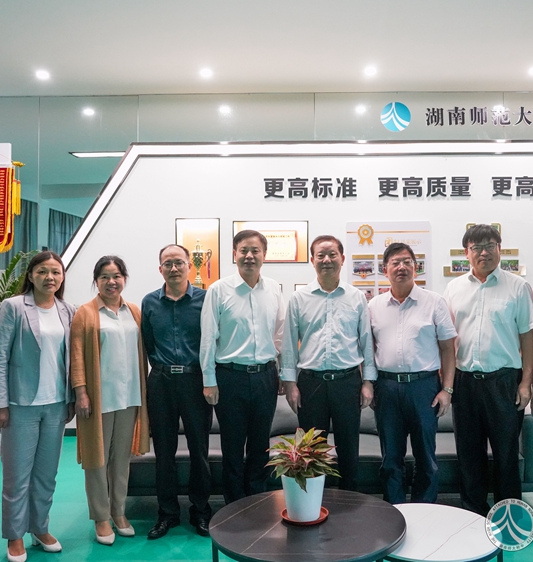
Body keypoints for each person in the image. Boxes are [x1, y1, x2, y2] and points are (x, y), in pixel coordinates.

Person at [443, 224, 533, 517]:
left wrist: (526, 384)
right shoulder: (454, 288)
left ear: (499, 248)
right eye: (477, 247)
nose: (483, 252)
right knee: (469, 452)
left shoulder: (518, 287)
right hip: (465, 382)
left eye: (489, 246)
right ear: (467, 253)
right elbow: (447, 339)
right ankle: (473, 512)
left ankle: (508, 514)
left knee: (506, 453)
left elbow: (528, 338)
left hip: (504, 381)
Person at [0, 251, 75, 562]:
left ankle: (39, 528)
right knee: (17, 476)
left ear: (62, 277)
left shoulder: (68, 310)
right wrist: (0, 404)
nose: (49, 277)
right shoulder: (13, 307)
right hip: (20, 405)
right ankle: (15, 536)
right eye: (42, 271)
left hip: (56, 404)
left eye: (55, 272)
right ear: (30, 275)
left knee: (46, 475)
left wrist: (72, 398)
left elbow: (71, 359)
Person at [281, 235, 376, 491]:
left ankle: (349, 501)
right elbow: (289, 343)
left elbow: (366, 341)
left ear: (342, 259)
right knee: (311, 451)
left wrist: (368, 381)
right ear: (312, 260)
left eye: (332, 254)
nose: (326, 260)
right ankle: (313, 502)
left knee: (348, 447)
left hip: (348, 382)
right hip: (310, 383)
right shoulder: (299, 298)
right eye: (320, 255)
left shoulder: (356, 297)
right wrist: (290, 384)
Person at [200, 230, 284, 504]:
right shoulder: (218, 290)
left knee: (261, 446)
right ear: (234, 254)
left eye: (255, 250)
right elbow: (208, 337)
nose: (249, 256)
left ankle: (258, 503)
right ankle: (235, 507)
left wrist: (281, 372)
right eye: (244, 250)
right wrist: (209, 380)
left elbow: (280, 334)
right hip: (230, 378)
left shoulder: (274, 288)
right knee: (233, 447)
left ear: (264, 255)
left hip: (265, 377)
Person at [368, 242, 457, 504]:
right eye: (395, 262)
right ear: (385, 269)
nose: (401, 267)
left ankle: (425, 509)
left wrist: (447, 389)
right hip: (386, 388)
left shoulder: (434, 302)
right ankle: (394, 510)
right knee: (391, 459)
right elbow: (368, 350)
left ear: (416, 267)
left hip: (424, 387)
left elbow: (448, 349)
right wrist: (369, 384)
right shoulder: (374, 306)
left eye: (407, 262)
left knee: (426, 457)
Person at [70, 256, 150, 545]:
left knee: (121, 459)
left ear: (124, 279)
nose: (111, 282)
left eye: (116, 276)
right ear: (96, 281)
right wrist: (81, 392)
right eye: (104, 277)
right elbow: (76, 356)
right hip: (98, 399)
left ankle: (119, 511)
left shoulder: (134, 312)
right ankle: (101, 517)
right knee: (97, 460)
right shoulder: (86, 313)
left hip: (129, 398)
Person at [141, 244, 213, 538]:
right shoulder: (149, 302)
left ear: (189, 266)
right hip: (161, 382)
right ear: (160, 269)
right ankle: (167, 514)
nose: (173, 268)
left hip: (195, 381)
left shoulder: (205, 300)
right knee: (164, 451)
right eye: (167, 263)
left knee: (199, 450)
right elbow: (148, 343)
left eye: (179, 262)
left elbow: (212, 339)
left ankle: (201, 511)